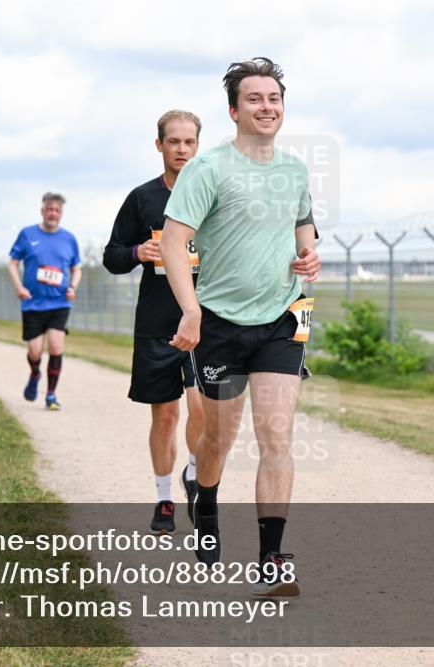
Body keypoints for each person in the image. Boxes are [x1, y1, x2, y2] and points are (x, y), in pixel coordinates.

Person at [160, 58, 320, 597]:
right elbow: (175, 243)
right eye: (255, 99)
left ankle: (271, 558)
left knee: (277, 434)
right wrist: (190, 309)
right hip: (221, 324)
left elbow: (303, 228)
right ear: (234, 110)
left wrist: (308, 257)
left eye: (274, 98)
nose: (267, 107)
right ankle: (204, 499)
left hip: (282, 317)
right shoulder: (209, 170)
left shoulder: (295, 171)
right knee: (219, 438)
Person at [103, 110, 206, 535]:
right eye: (174, 142)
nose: (182, 149)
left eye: (189, 142)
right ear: (159, 145)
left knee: (202, 408)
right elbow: (112, 256)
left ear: (199, 146)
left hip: (204, 322)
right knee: (164, 416)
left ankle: (197, 475)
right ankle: (164, 498)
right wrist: (136, 254)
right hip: (156, 321)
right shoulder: (142, 198)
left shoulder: (211, 195)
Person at [8, 192, 82, 411]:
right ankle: (35, 373)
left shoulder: (69, 239)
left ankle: (51, 394)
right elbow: (12, 264)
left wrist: (73, 287)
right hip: (32, 303)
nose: (53, 213)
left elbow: (76, 268)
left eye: (57, 210)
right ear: (42, 211)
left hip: (59, 303)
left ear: (61, 214)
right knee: (35, 351)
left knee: (56, 346)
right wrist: (19, 287)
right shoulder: (27, 234)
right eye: (49, 209)